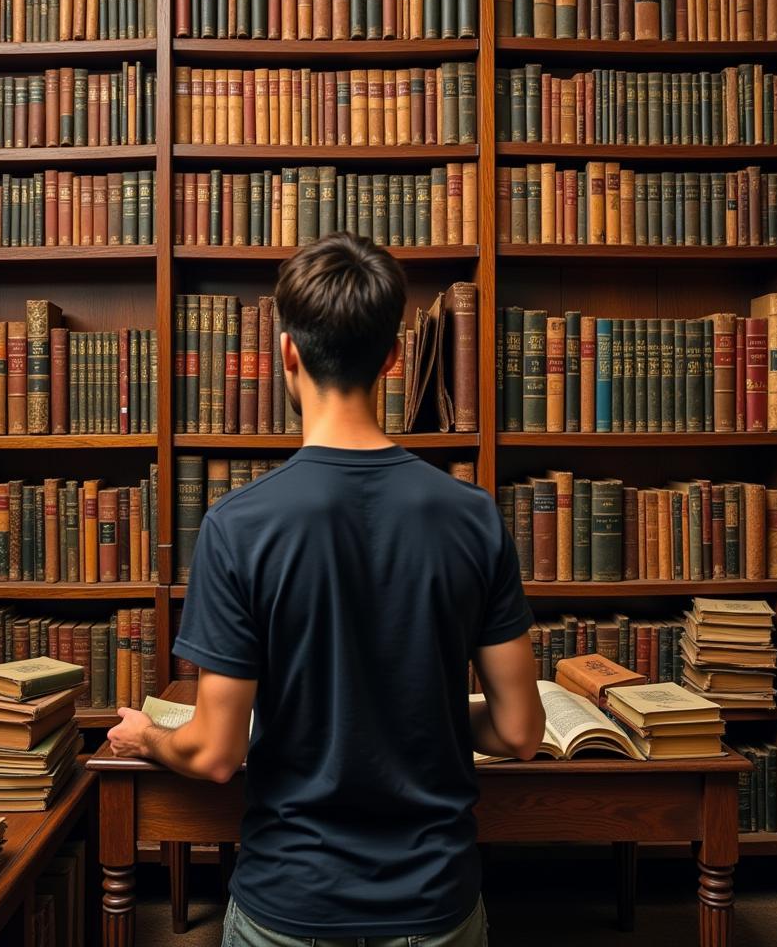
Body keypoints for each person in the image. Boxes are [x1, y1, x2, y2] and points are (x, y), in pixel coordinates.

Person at [107, 232, 545, 947]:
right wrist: (418, 711)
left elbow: (217, 754)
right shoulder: (474, 517)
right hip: (436, 905)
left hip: (291, 904)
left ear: (287, 353)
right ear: (394, 358)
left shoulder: (237, 525)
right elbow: (521, 732)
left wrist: (147, 736)